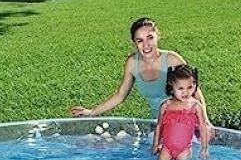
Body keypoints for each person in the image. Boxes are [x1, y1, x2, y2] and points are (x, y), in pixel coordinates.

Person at [70, 17, 215, 138]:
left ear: (158, 36)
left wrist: (206, 123)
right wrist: (92, 112)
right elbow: (120, 95)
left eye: (150, 38)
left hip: (185, 122)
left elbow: (195, 91)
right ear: (134, 43)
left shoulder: (172, 60)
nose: (146, 45)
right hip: (159, 124)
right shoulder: (133, 63)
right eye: (140, 40)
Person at [150, 64, 212, 160]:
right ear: (171, 85)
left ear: (195, 85)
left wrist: (204, 148)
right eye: (181, 89)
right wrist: (155, 144)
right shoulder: (166, 105)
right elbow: (159, 126)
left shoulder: (195, 106)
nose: (186, 92)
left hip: (184, 149)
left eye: (190, 87)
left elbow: (203, 127)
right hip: (166, 148)